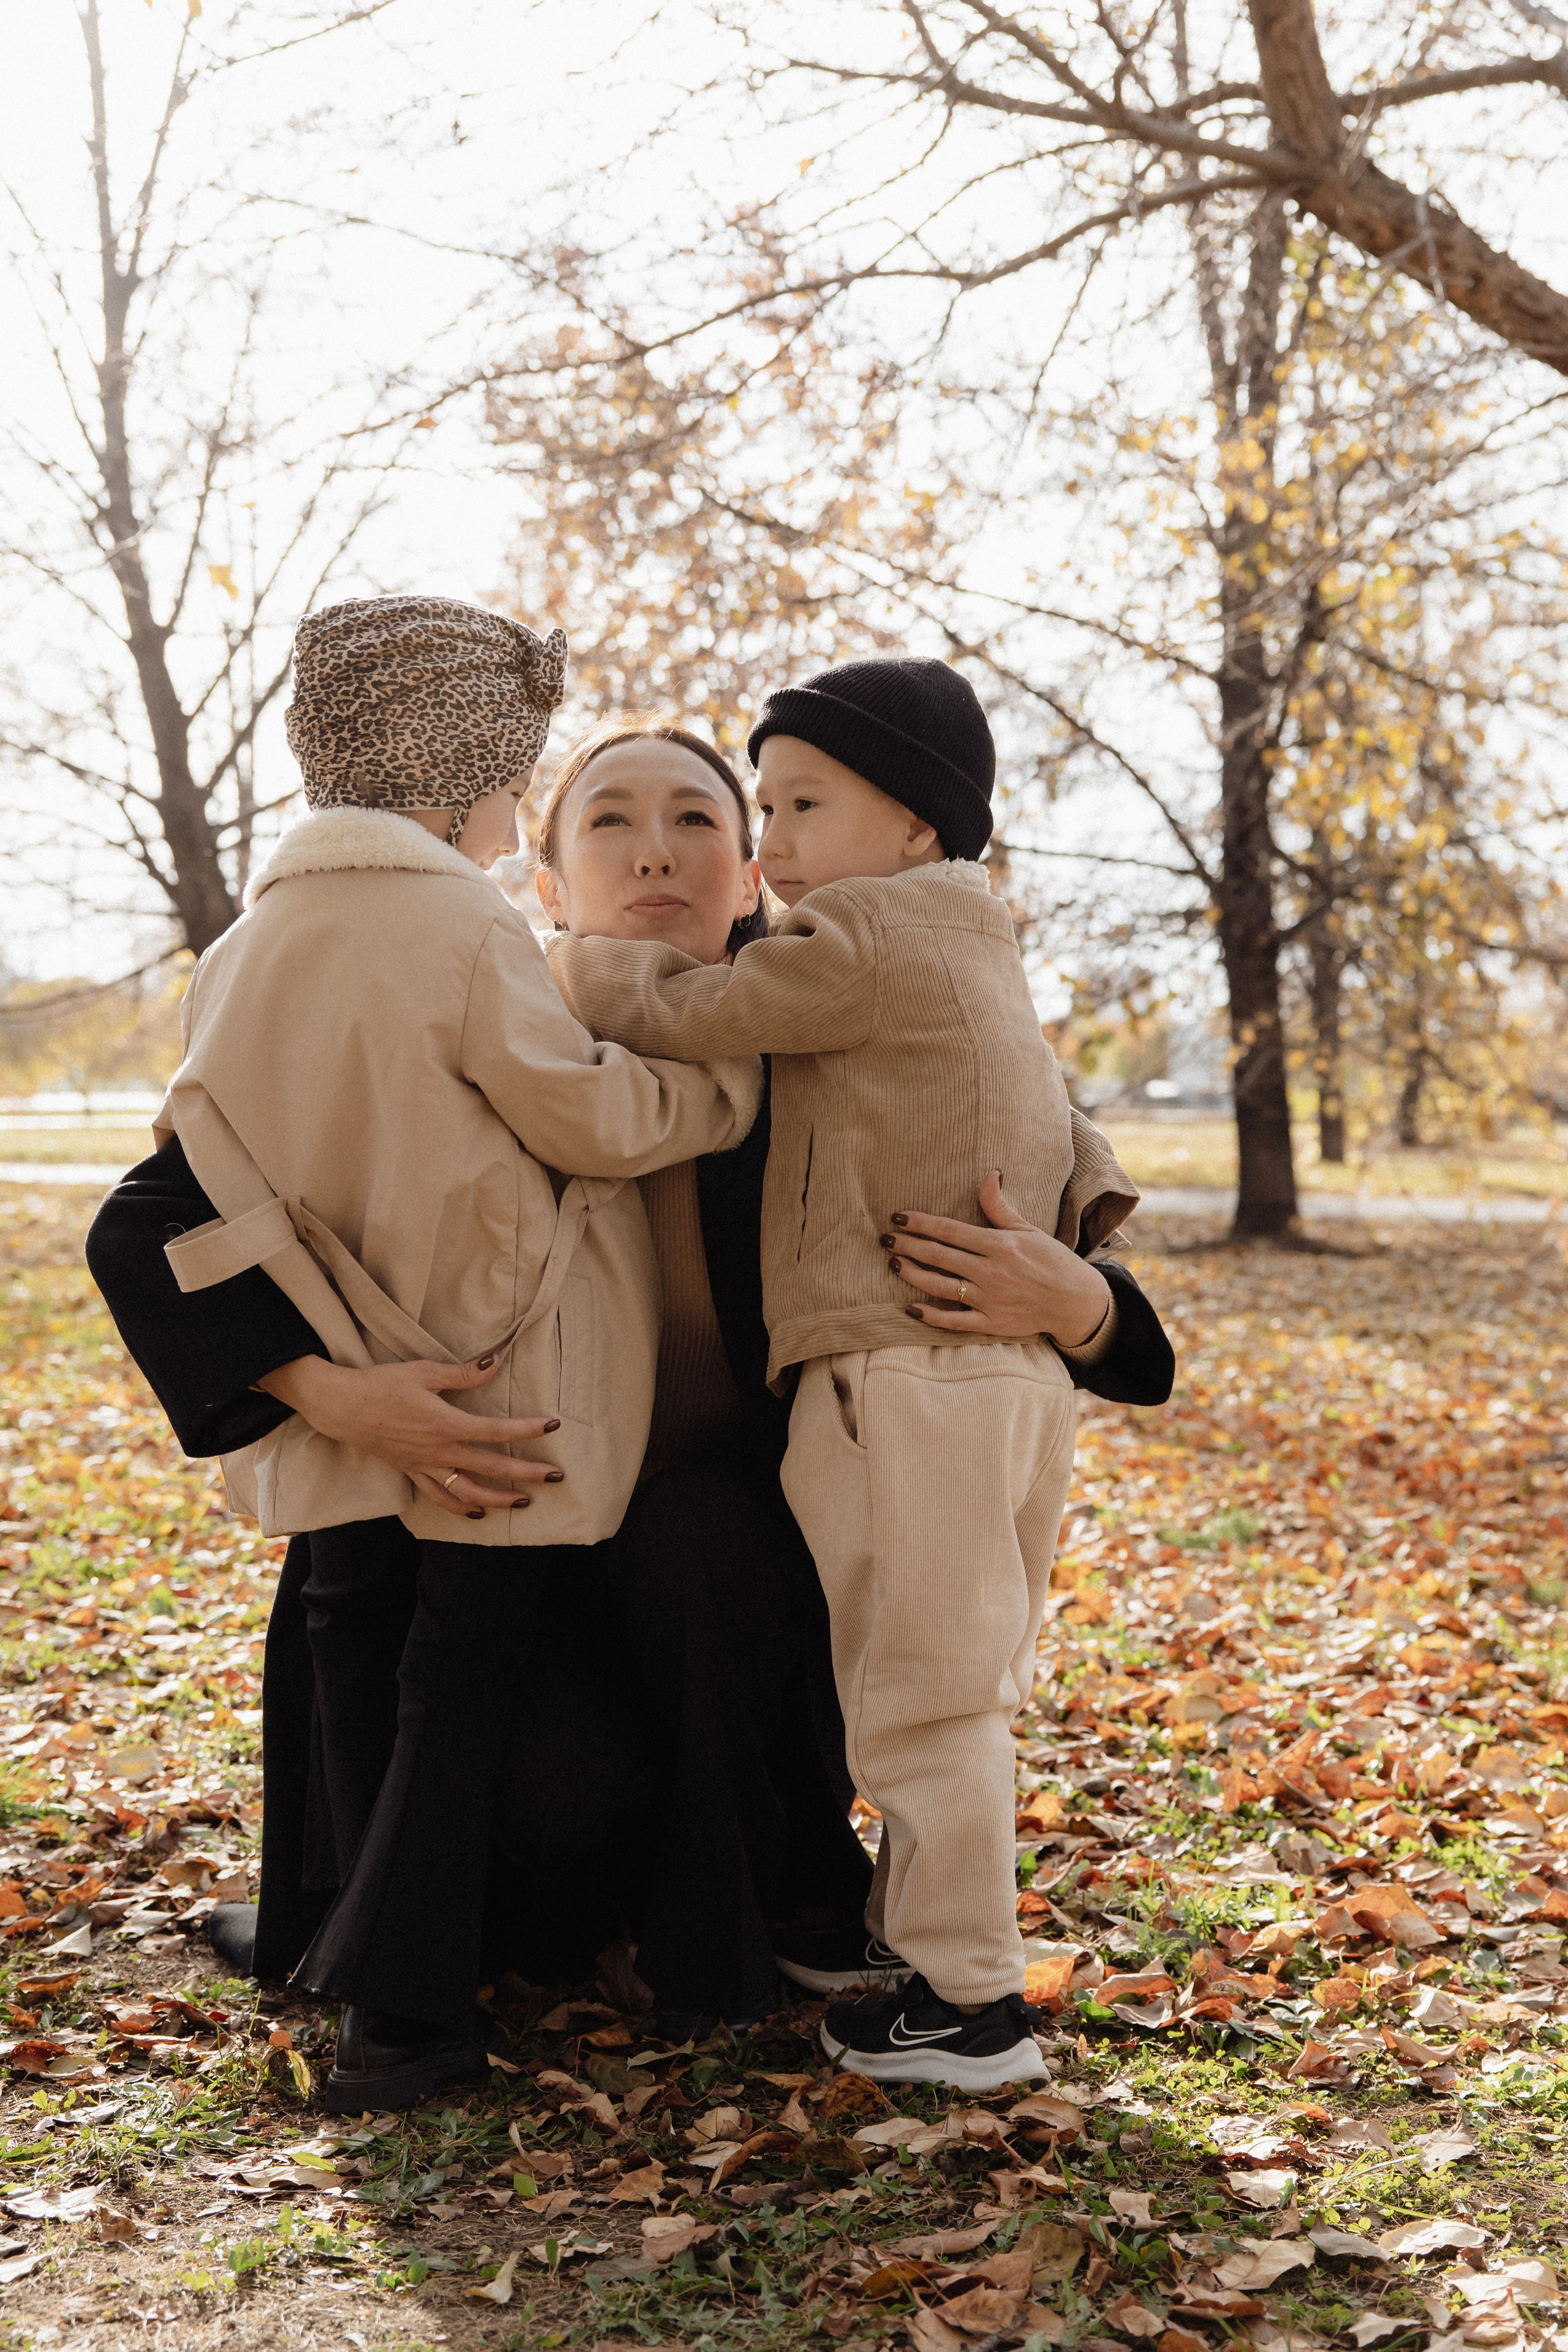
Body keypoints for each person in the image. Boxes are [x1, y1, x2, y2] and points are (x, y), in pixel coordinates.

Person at [88, 709, 1175, 2096]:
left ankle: (749, 1902)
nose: (654, 852)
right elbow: (148, 1222)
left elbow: (1119, 1320)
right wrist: (335, 1393)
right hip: (507, 1535)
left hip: (742, 1589)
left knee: (695, 1536)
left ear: (756, 874)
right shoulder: (471, 1022)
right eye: (607, 820)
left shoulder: (859, 1031)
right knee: (365, 1543)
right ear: (542, 886)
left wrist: (1073, 1301)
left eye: (699, 821)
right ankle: (356, 1910)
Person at [118, 595, 764, 2111]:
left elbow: (194, 1161)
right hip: (489, 1380)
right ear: (470, 777)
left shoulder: (245, 946)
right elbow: (585, 1115)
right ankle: (405, 2020)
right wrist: (709, 1096)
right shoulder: (466, 925)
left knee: (350, 1642)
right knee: (452, 1685)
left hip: (347, 1377)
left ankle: (321, 1932)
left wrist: (309, 1364)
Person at [550, 655, 1156, 2091]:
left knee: (928, 1694)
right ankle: (897, 1932)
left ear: (914, 824)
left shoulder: (856, 951)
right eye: (757, 810)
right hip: (915, 1407)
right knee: (946, 1677)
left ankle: (966, 1999)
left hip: (911, 1373)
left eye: (778, 811)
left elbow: (707, 1017)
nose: (759, 847)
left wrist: (1077, 1296)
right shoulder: (961, 948)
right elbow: (1079, 1151)